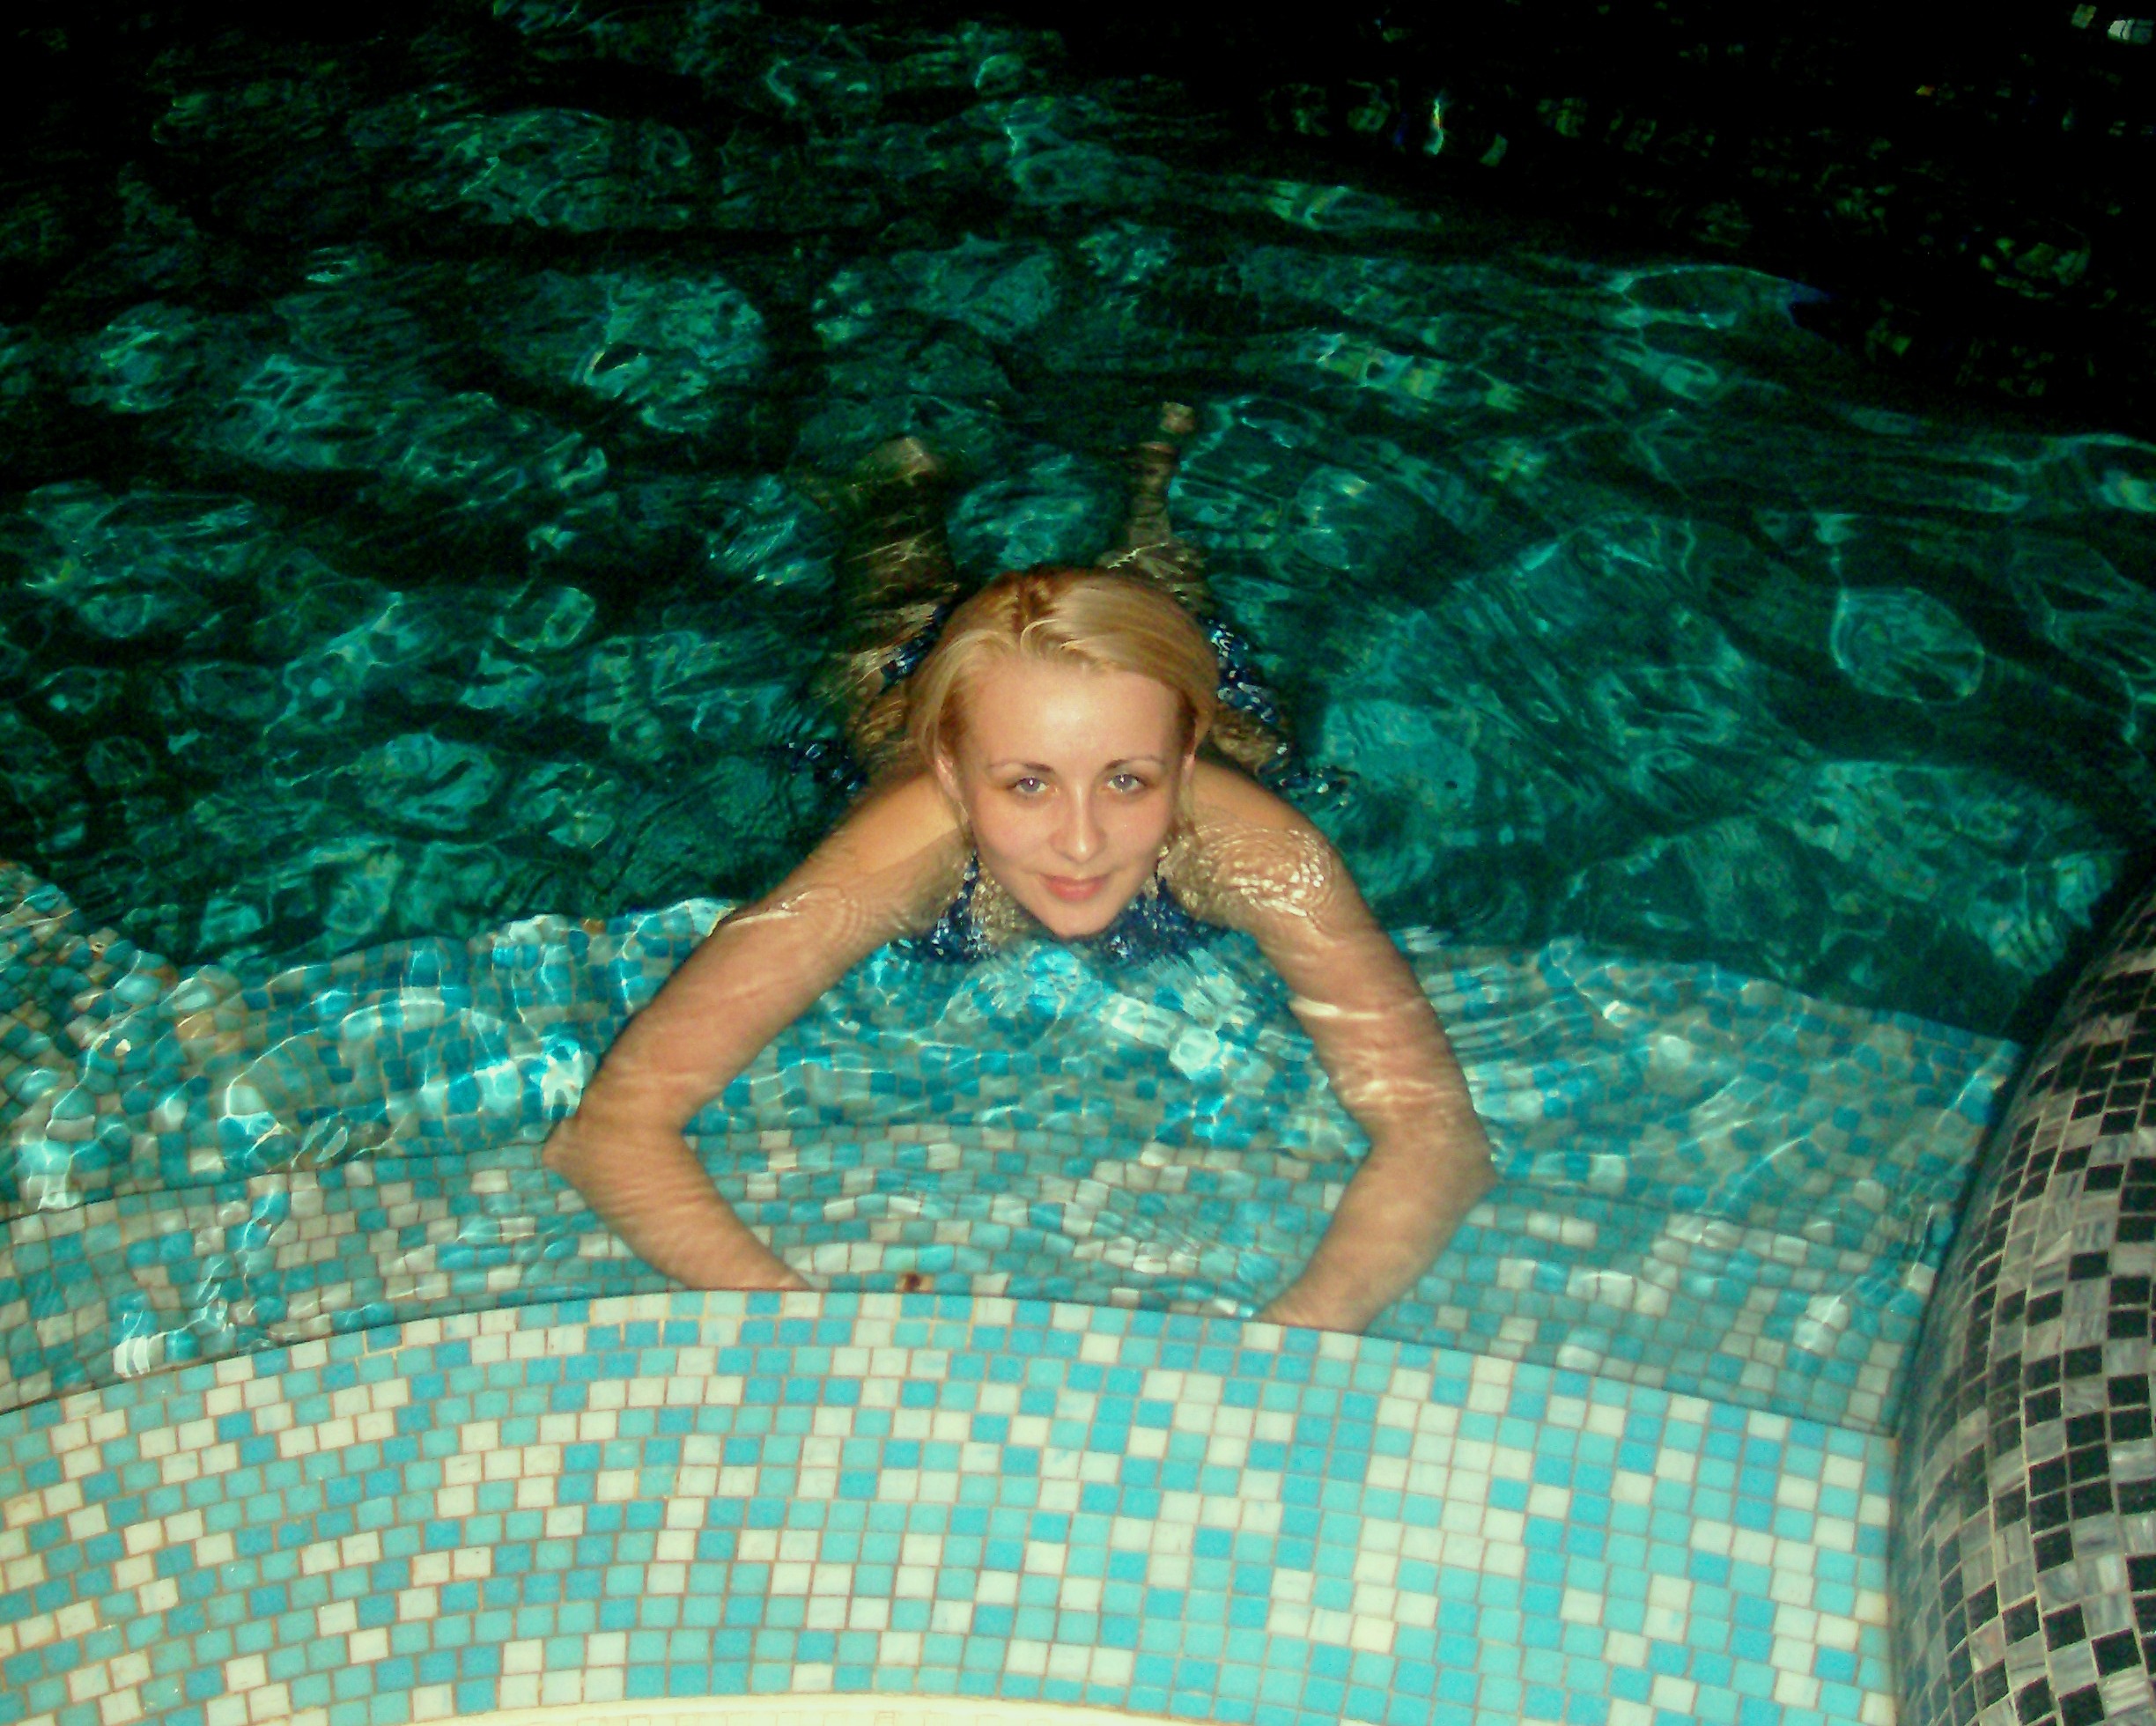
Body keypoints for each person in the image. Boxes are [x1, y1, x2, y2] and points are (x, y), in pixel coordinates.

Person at [543, 408, 1495, 1333]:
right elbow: (613, 1131)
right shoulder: (891, 856)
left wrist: (1287, 1342)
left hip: (1160, 712)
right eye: (1027, 785)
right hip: (914, 706)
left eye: (1128, 780)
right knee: (892, 623)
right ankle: (899, 500)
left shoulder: (1266, 857)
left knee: (1173, 620)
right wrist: (813, 1334)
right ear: (953, 773)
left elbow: (1439, 1138)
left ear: (1184, 758)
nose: (1081, 843)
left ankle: (1147, 487)